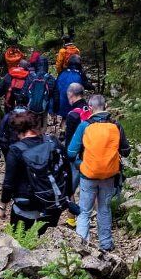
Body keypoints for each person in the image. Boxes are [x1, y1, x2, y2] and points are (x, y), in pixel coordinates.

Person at [68, 94, 130, 252]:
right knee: (104, 209)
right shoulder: (116, 126)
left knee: (84, 211)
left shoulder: (84, 126)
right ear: (106, 106)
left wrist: (79, 164)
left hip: (88, 174)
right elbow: (126, 151)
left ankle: (82, 245)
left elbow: (70, 152)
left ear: (89, 108)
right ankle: (106, 244)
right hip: (109, 175)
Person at [0, 110, 73, 232]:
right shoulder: (53, 142)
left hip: (26, 204)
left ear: (18, 131)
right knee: (44, 242)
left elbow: (9, 183)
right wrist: (68, 195)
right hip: (52, 203)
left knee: (20, 242)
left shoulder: (16, 150)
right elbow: (66, 169)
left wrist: (3, 206)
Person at [62, 83, 90, 228]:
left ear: (71, 94)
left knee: (70, 188)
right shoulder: (91, 110)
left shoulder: (73, 115)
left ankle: (72, 219)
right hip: (92, 155)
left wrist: (66, 156)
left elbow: (69, 140)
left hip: (76, 157)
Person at [56, 54, 88, 121]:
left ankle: (63, 127)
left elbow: (56, 85)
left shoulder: (62, 72)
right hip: (73, 104)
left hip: (60, 103)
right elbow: (85, 84)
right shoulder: (80, 73)